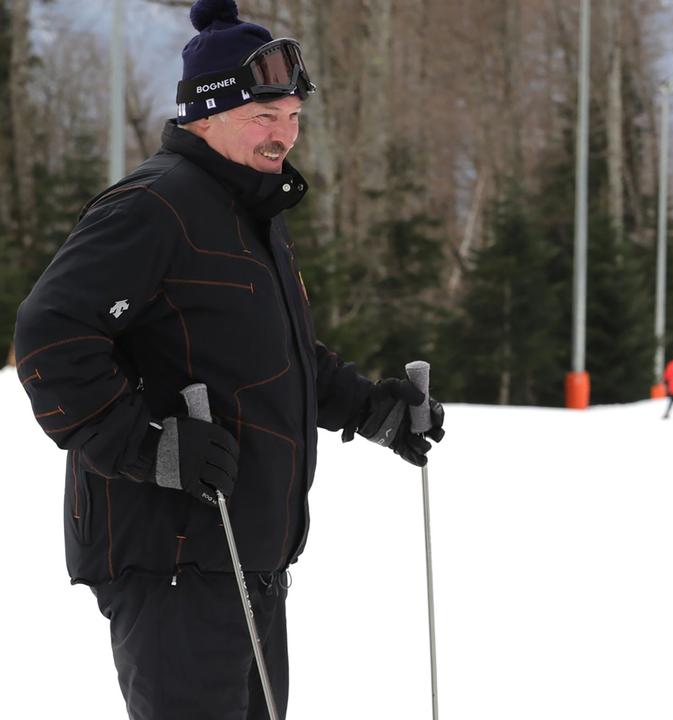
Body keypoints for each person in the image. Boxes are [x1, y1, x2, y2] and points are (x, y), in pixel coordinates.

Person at [13, 2, 444, 717]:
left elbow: (276, 357)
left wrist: (373, 408)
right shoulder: (155, 207)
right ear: (204, 116)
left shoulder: (247, 216)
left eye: (293, 117)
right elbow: (49, 336)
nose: (284, 135)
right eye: (263, 117)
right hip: (174, 553)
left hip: (245, 555)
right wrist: (148, 445)